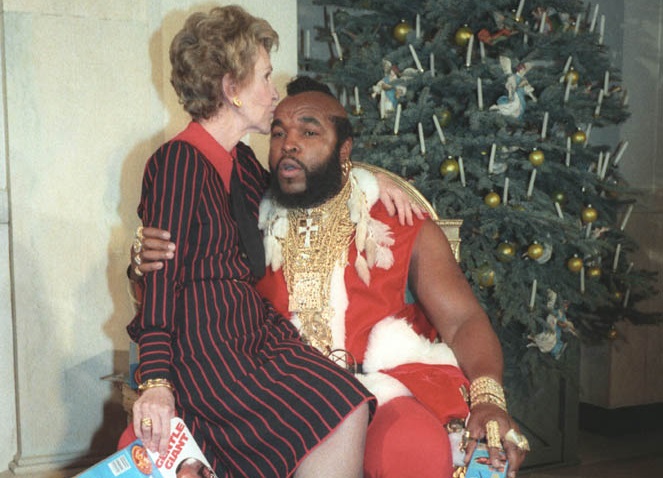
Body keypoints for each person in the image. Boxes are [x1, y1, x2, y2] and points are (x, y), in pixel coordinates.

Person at [135, 76, 530, 477]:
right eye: (278, 132)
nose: (289, 144)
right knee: (147, 450)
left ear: (344, 150)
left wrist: (488, 396)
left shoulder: (398, 220)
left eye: (309, 132)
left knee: (412, 445)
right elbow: (186, 280)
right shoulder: (249, 217)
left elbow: (462, 320)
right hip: (267, 392)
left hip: (378, 387)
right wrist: (143, 259)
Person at [124, 7, 377, 478]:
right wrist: (155, 379)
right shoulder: (178, 161)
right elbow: (160, 277)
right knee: (342, 408)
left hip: (252, 334)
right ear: (231, 88)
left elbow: (301, 192)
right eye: (264, 76)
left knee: (349, 403)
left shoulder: (239, 161)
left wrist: (375, 184)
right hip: (209, 349)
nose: (274, 93)